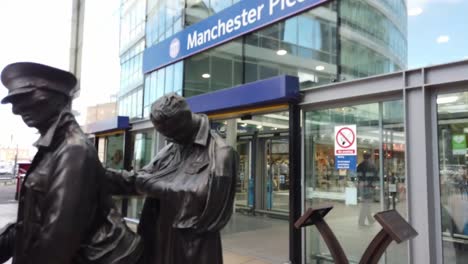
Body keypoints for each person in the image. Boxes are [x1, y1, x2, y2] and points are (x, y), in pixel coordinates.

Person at [0, 62, 142, 264]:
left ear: (56, 99)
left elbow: (56, 243)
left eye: (26, 99)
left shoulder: (73, 150)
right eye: (15, 102)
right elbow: (32, 223)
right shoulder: (53, 147)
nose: (17, 110)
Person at [105, 93, 239, 264]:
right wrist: (105, 176)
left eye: (172, 134)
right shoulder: (173, 148)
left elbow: (209, 206)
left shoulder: (221, 154)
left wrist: (154, 186)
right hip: (159, 237)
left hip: (190, 249)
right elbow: (142, 177)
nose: (169, 139)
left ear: (185, 123)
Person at [357, 151, 377, 226]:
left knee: (366, 203)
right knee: (366, 204)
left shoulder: (360, 165)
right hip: (369, 187)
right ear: (370, 157)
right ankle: (361, 221)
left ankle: (370, 219)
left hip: (362, 186)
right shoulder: (372, 165)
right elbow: (375, 176)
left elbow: (358, 176)